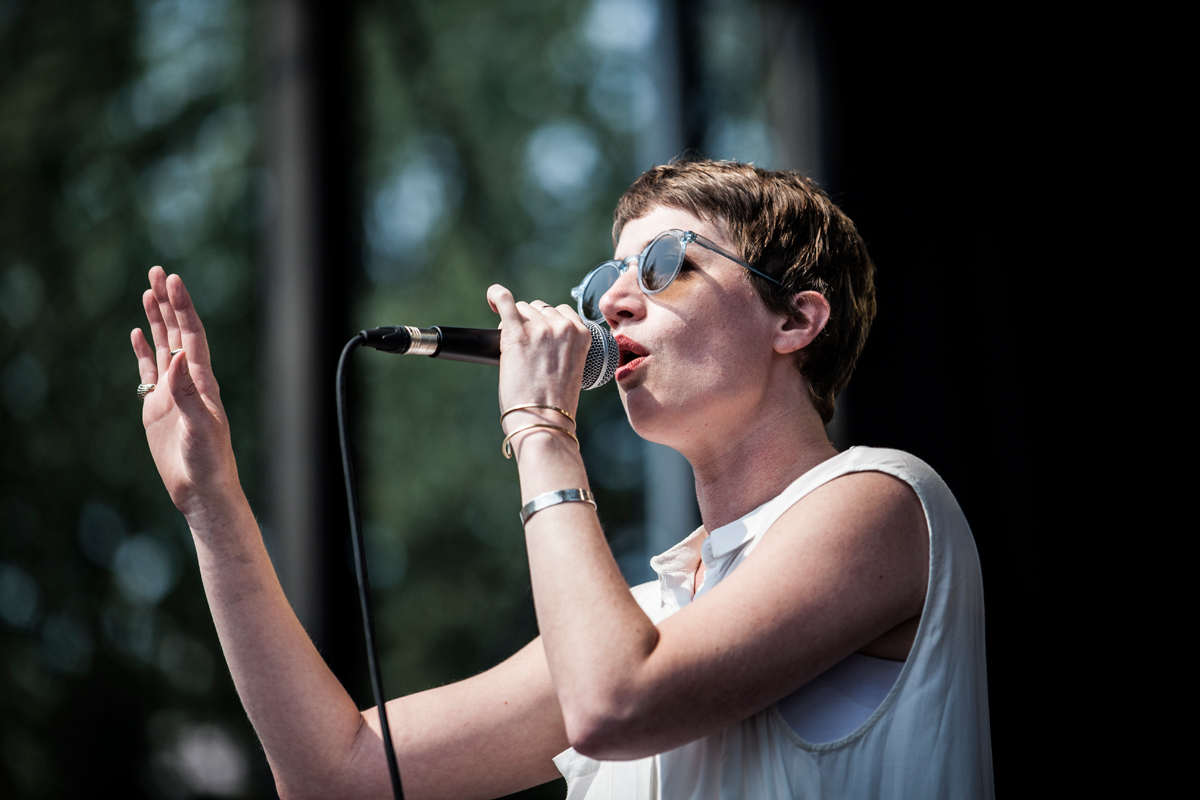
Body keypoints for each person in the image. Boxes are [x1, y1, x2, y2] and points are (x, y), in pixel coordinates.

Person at [132, 159, 992, 799]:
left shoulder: (887, 499)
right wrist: (213, 504)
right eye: (604, 280)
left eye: (664, 267)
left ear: (795, 318)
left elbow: (615, 702)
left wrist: (541, 428)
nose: (611, 303)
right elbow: (337, 771)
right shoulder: (648, 618)